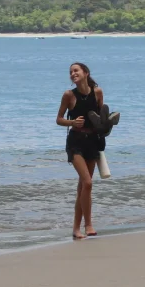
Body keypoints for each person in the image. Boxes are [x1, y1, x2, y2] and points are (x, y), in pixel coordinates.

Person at [56, 62, 105, 240]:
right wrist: (72, 123)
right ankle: (88, 224)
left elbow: (102, 119)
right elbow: (59, 119)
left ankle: (77, 229)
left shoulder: (97, 92)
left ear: (85, 73)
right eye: (70, 72)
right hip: (75, 142)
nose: (73, 74)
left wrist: (106, 128)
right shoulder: (69, 95)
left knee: (83, 187)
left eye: (76, 71)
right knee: (88, 183)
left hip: (92, 141)